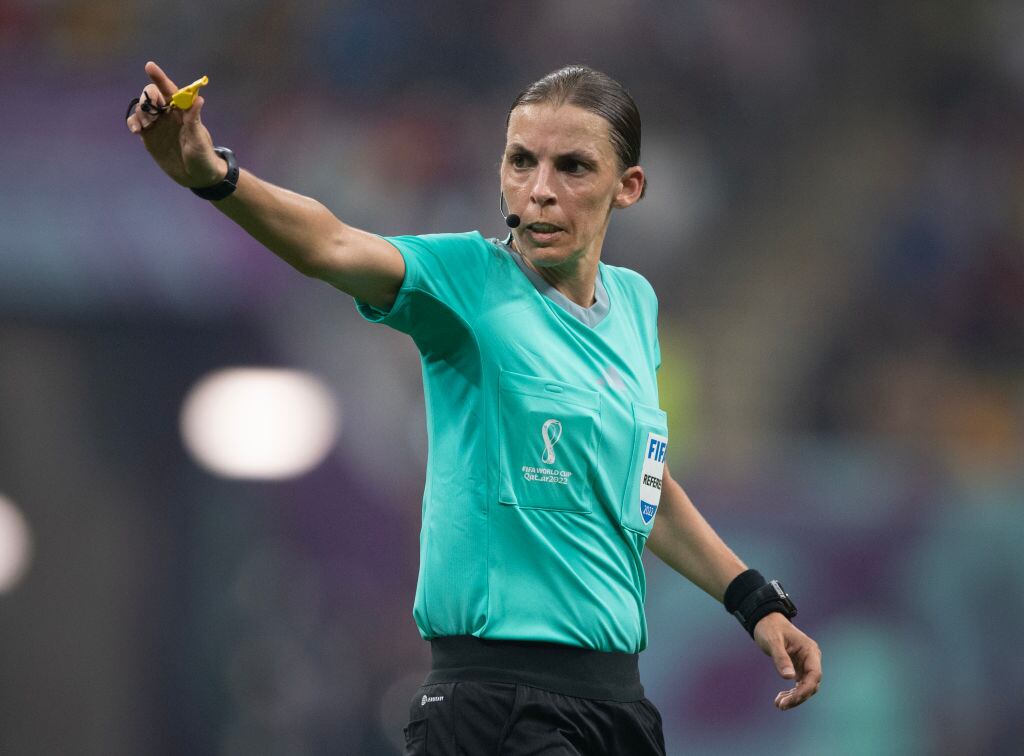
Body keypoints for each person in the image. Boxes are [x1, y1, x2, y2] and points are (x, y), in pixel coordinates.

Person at [127, 61, 822, 755]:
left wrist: (752, 600)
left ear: (628, 187)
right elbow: (331, 243)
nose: (540, 190)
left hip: (620, 709)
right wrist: (212, 176)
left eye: (573, 167)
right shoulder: (466, 281)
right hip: (498, 708)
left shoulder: (635, 307)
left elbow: (640, 488)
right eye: (522, 161)